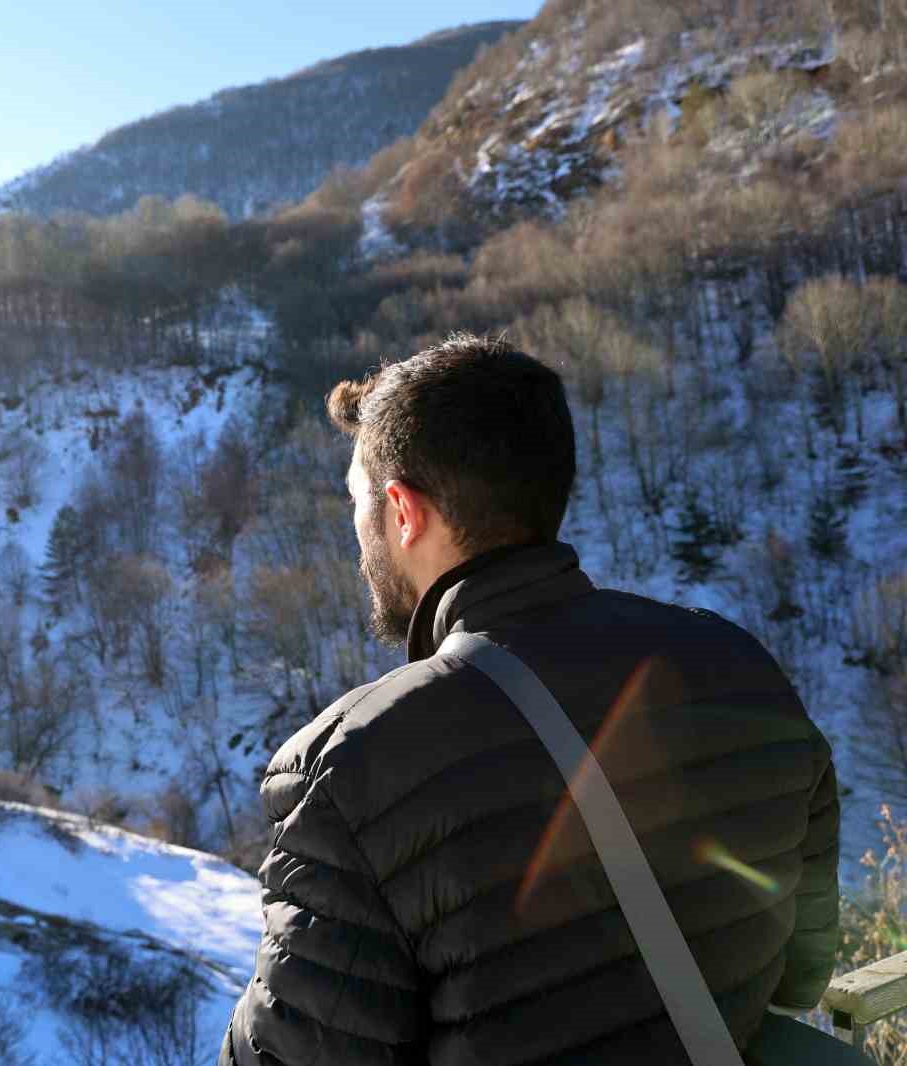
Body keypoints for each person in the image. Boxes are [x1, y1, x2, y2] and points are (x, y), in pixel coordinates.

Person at [220, 334, 839, 1066]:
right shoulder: (739, 665)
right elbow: (802, 976)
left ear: (402, 512)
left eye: (358, 506)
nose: (359, 535)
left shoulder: (351, 770)